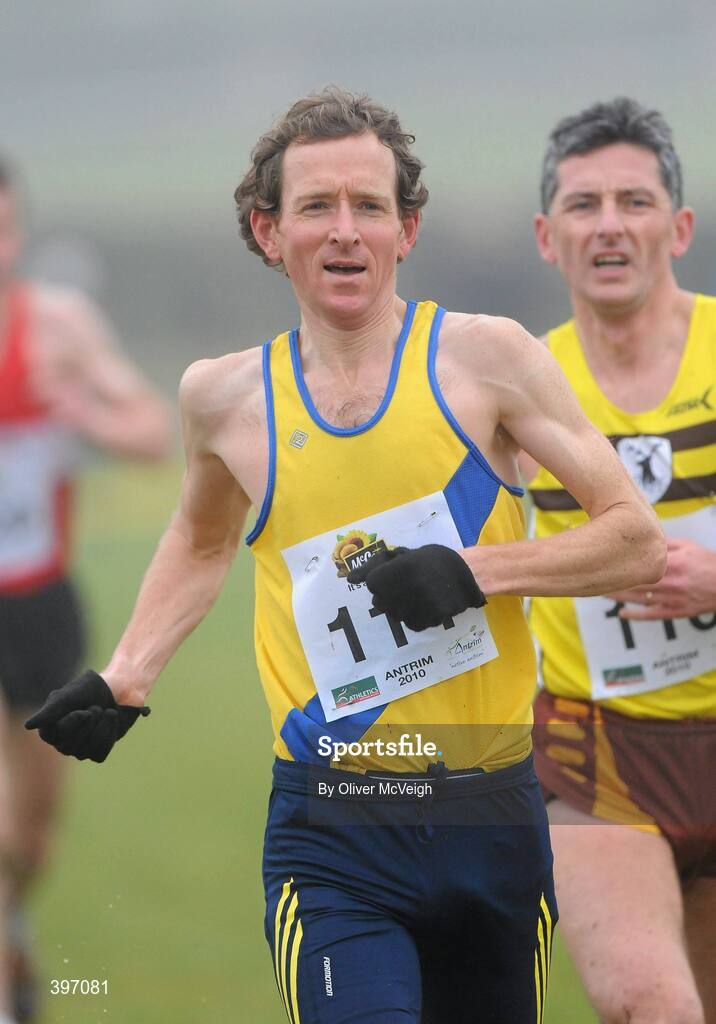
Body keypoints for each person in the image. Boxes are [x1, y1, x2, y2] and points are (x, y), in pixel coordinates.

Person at [26, 88, 665, 1024]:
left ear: (407, 229)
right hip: (333, 823)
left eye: (370, 207)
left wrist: (474, 573)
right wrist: (128, 674)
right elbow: (201, 538)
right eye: (316, 207)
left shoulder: (489, 359)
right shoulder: (224, 398)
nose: (345, 232)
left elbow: (633, 537)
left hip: (488, 813)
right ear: (266, 229)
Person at [524, 97, 716, 1024]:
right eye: (583, 204)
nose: (609, 225)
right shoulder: (515, 391)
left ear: (678, 227)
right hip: (596, 757)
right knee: (656, 1007)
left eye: (634, 201)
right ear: (544, 235)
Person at [0, 155, 172, 1023]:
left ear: (14, 231)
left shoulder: (58, 328)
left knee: (27, 835)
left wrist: (84, 416)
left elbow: (153, 431)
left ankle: (15, 922)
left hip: (37, 603)